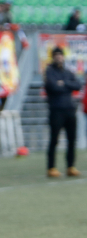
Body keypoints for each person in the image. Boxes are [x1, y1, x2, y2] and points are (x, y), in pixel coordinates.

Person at [45, 47, 81, 178]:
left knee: (72, 139)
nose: (59, 57)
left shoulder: (67, 72)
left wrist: (64, 83)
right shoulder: (49, 71)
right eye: (56, 55)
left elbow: (78, 85)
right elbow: (53, 86)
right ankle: (51, 167)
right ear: (53, 57)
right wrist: (67, 85)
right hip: (56, 110)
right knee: (54, 139)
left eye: (60, 55)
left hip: (70, 110)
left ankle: (70, 166)